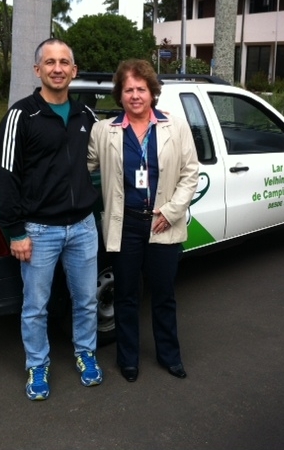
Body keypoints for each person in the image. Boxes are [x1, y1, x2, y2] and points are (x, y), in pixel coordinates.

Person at [0, 38, 102, 400]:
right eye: (50, 62)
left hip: (84, 228)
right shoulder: (21, 116)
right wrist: (15, 232)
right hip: (39, 231)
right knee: (35, 306)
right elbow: (5, 176)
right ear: (37, 69)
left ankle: (85, 352)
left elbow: (109, 153)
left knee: (86, 299)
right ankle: (37, 365)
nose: (58, 68)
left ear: (74, 70)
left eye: (64, 62)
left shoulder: (87, 116)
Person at [88, 59, 199, 382]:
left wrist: (171, 211)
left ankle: (169, 356)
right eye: (128, 90)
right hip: (125, 226)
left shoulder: (174, 126)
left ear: (152, 93)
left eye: (141, 89)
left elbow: (190, 173)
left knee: (163, 295)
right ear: (119, 95)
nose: (135, 95)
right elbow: (85, 167)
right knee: (125, 295)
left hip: (162, 222)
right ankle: (128, 360)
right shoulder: (104, 130)